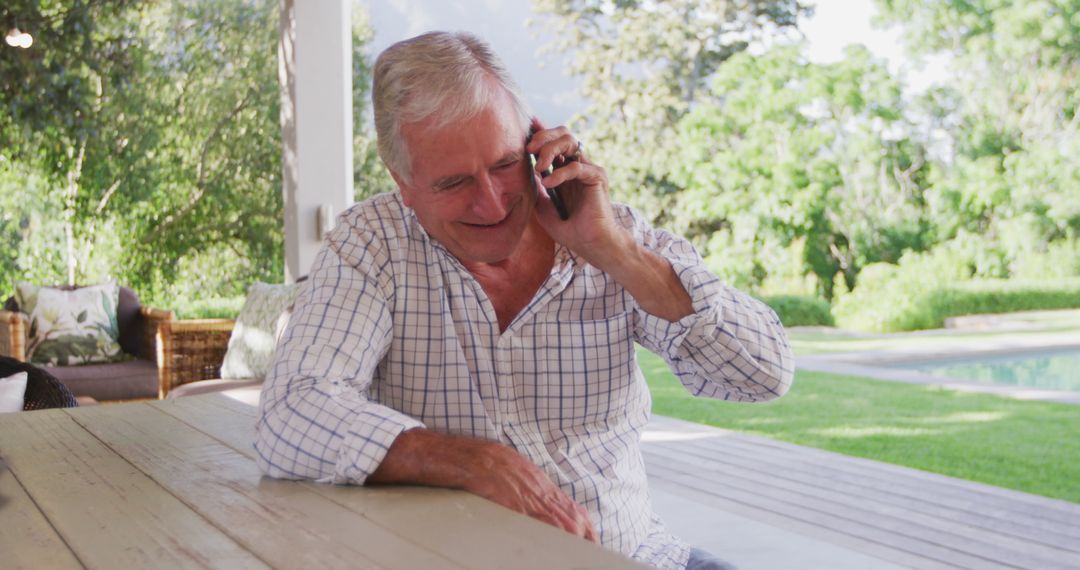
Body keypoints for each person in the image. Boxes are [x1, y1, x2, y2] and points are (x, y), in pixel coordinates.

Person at [255, 30, 793, 570]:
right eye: (453, 183)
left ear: (537, 144)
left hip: (632, 556)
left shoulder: (608, 229)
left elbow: (765, 374)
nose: (490, 203)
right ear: (402, 181)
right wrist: (474, 462)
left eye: (504, 164)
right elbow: (290, 412)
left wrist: (617, 253)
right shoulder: (372, 243)